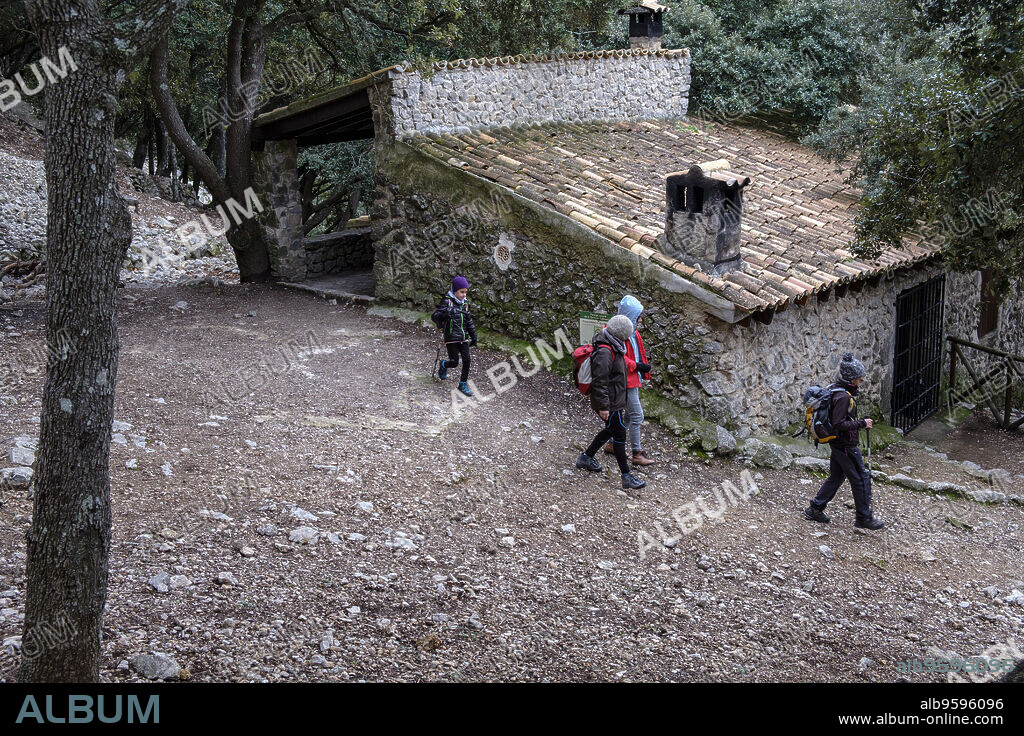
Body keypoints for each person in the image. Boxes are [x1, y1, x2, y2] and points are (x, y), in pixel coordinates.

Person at [803, 353, 885, 530]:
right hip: (845, 445)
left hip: (838, 444)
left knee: (837, 476)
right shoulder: (844, 397)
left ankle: (815, 508)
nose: (861, 382)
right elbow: (839, 423)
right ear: (852, 379)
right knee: (861, 478)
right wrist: (862, 423)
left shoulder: (834, 388)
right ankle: (864, 517)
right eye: (860, 379)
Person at [575, 314, 647, 491]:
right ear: (621, 334)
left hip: (614, 401)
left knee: (611, 430)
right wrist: (604, 407)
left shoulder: (614, 346)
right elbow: (600, 381)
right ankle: (626, 476)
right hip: (610, 403)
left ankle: (586, 458)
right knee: (620, 435)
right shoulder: (606, 351)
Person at [604, 295, 653, 466]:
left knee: (626, 417)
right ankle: (636, 453)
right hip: (626, 381)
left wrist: (641, 368)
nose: (640, 319)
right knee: (637, 415)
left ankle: (611, 443)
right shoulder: (616, 333)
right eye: (638, 316)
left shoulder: (632, 333)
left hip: (631, 379)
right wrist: (637, 366)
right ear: (630, 316)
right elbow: (619, 359)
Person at [432, 276, 476, 397]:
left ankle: (463, 383)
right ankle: (444, 364)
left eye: (465, 292)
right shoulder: (447, 301)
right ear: (455, 291)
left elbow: (469, 320)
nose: (464, 295)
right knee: (454, 362)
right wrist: (444, 313)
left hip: (463, 336)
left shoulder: (465, 303)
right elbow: (435, 316)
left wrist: (473, 334)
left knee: (467, 360)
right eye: (461, 292)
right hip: (451, 337)